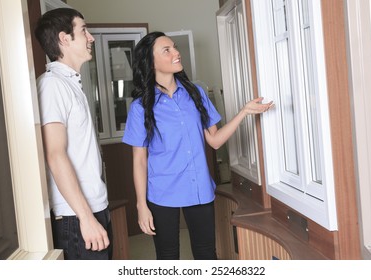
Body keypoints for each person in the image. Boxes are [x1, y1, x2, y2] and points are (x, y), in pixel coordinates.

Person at [122, 31, 273, 260]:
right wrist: (141, 205)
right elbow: (139, 160)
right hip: (162, 192)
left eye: (174, 47)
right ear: (150, 63)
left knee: (206, 255)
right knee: (167, 256)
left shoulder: (196, 93)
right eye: (167, 50)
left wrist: (243, 112)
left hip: (198, 188)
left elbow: (214, 140)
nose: (176, 53)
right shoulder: (140, 108)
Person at [34, 8, 112, 260]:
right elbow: (55, 155)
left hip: (92, 208)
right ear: (64, 39)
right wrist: (86, 218)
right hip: (77, 216)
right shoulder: (52, 85)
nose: (90, 37)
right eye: (83, 31)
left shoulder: (70, 84)